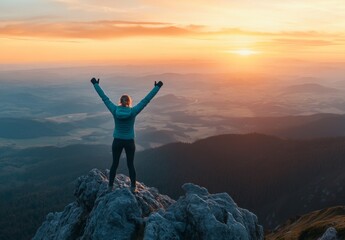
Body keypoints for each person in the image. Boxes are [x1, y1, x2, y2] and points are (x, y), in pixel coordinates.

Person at [90, 77, 163, 193]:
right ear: (129, 102)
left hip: (117, 141)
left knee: (114, 164)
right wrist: (157, 87)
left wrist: (95, 84)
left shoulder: (114, 110)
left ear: (120, 101)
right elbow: (146, 100)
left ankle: (110, 187)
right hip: (129, 141)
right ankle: (133, 188)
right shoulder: (133, 111)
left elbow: (104, 98)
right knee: (130, 165)